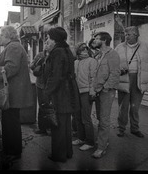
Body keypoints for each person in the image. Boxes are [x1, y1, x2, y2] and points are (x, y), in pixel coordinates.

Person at [0, 25, 34, 162]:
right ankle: (11, 149)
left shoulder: (13, 47)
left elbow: (11, 68)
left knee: (11, 123)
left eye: (2, 35)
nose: (0, 38)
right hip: (13, 90)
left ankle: (13, 151)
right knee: (10, 122)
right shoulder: (13, 46)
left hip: (13, 92)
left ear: (8, 36)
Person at [42, 27, 80, 163]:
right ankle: (67, 152)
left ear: (55, 39)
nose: (47, 40)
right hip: (68, 91)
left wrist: (47, 92)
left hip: (60, 93)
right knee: (65, 125)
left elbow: (55, 75)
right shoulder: (66, 50)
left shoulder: (57, 52)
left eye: (49, 37)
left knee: (57, 125)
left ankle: (59, 155)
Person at [114, 26, 148, 138]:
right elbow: (114, 63)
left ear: (136, 35)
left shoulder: (146, 46)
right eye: (125, 34)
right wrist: (119, 70)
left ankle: (135, 128)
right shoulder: (119, 47)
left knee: (135, 107)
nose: (126, 36)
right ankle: (121, 128)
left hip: (139, 79)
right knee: (123, 106)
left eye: (129, 34)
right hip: (124, 79)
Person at [91, 31, 120, 159]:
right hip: (97, 90)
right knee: (99, 117)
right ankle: (103, 140)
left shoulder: (113, 54)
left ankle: (101, 147)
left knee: (104, 119)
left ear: (103, 40)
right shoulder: (98, 54)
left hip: (106, 91)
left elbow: (115, 73)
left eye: (96, 38)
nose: (94, 40)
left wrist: (106, 88)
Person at [71, 42, 98, 151]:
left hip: (86, 92)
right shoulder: (76, 62)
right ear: (78, 51)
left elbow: (94, 78)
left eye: (86, 49)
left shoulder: (92, 61)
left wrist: (92, 91)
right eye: (82, 49)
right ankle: (81, 138)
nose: (85, 51)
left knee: (86, 117)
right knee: (77, 116)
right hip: (77, 92)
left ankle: (90, 141)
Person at [30, 43, 49, 135]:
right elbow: (32, 66)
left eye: (48, 43)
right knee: (41, 106)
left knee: (50, 107)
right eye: (46, 43)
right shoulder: (40, 55)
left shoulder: (55, 55)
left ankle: (51, 127)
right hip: (40, 84)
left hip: (50, 85)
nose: (46, 45)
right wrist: (38, 62)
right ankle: (42, 128)